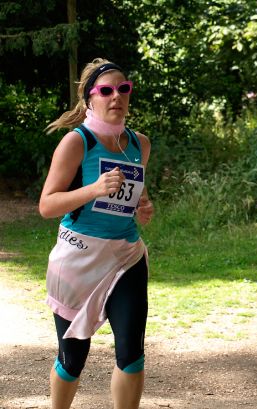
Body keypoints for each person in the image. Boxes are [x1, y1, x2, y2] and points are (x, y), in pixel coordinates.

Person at [39, 58, 154, 409]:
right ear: (90, 99)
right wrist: (94, 189)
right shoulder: (77, 143)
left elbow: (136, 196)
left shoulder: (140, 144)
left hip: (125, 256)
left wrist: (144, 207)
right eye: (106, 90)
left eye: (123, 89)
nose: (116, 96)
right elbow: (47, 205)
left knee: (131, 353)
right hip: (78, 259)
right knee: (73, 359)